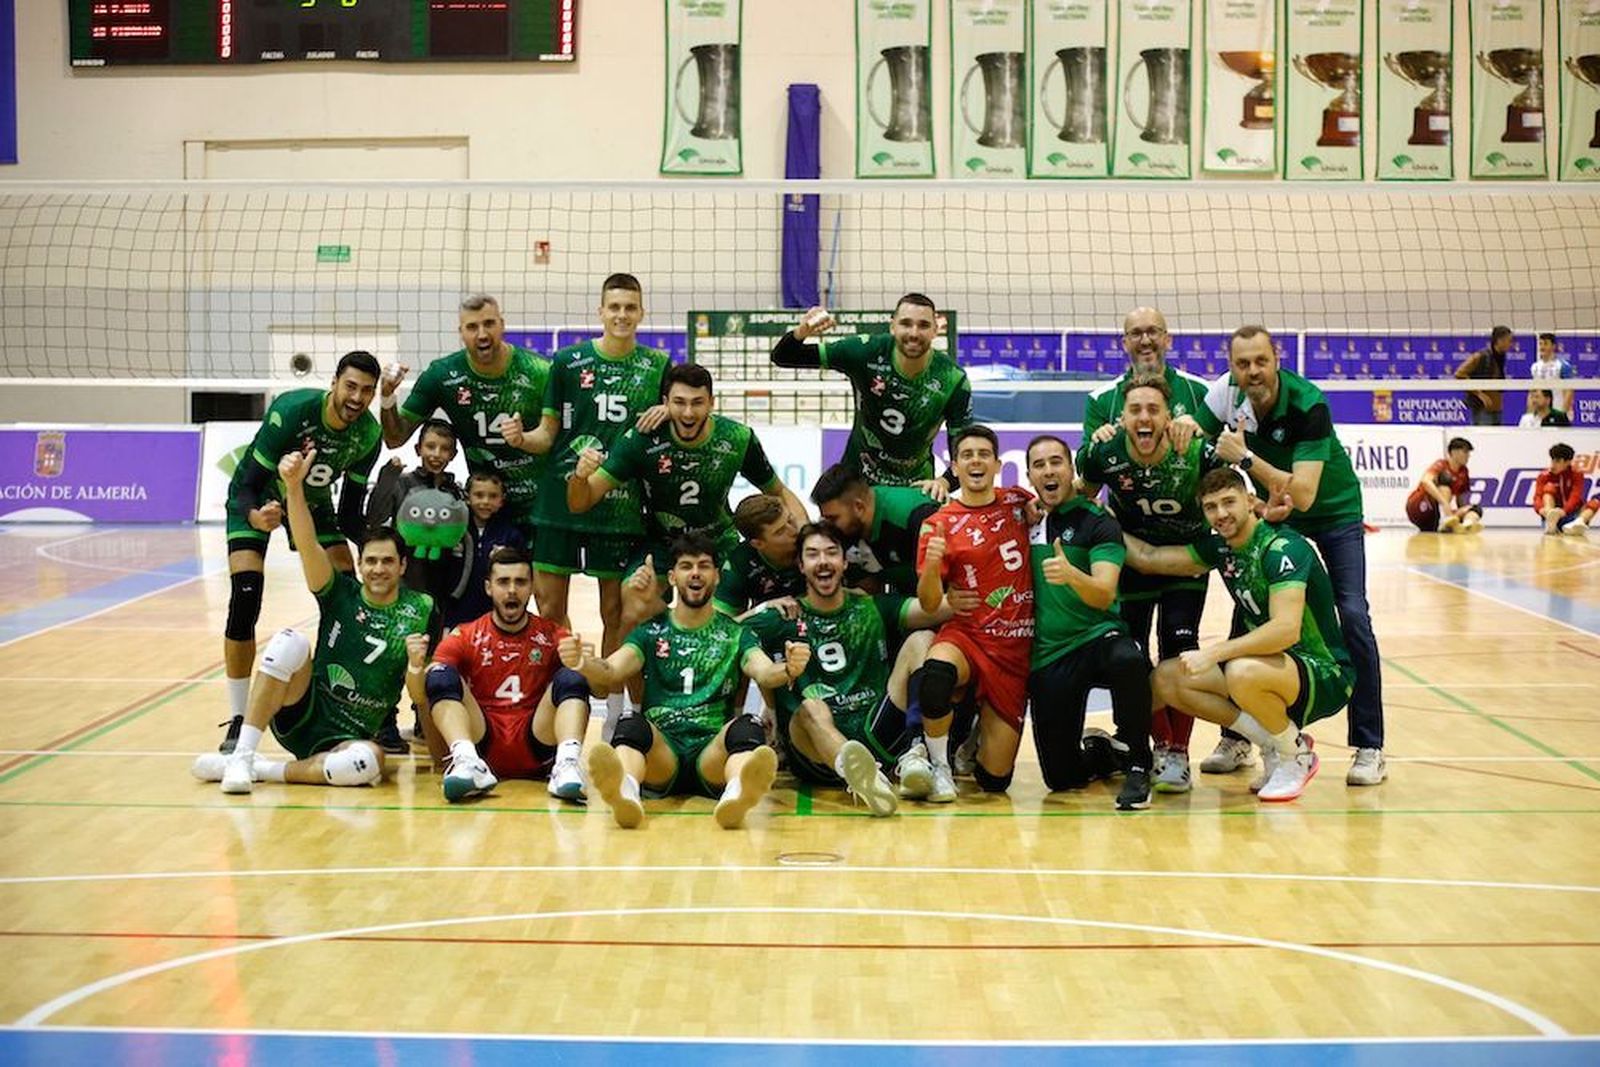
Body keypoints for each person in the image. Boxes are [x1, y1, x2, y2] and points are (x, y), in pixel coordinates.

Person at [1198, 325, 1386, 786]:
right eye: (1242, 364)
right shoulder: (1225, 394)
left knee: (1353, 614)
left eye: (1261, 360)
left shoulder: (1308, 403)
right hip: (1276, 509)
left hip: (1333, 512)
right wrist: (1184, 426)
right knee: (1249, 606)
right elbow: (1193, 436)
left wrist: (1244, 461)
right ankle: (1240, 736)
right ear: (1232, 368)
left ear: (1276, 358)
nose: (1252, 371)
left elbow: (1303, 494)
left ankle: (1369, 745)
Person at [193, 447, 437, 794]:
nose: (378, 569)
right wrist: (293, 487)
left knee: (370, 763)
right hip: (302, 712)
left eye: (387, 561)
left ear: (402, 566)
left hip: (349, 737)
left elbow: (420, 689)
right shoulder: (341, 592)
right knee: (289, 641)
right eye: (371, 561)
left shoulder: (423, 608)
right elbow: (308, 543)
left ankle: (260, 769)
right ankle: (243, 752)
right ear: (361, 563)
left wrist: (415, 668)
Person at [1122, 468, 1356, 803]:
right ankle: (1274, 743)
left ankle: (1297, 756)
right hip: (1271, 668)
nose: (1221, 514)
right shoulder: (1222, 548)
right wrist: (1106, 524)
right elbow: (1151, 559)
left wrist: (1215, 653)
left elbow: (1285, 630)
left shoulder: (1281, 547)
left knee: (1241, 671)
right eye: (1211, 507)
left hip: (1323, 672)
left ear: (1250, 501)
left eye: (1229, 502)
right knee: (1168, 678)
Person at [500, 273, 670, 722]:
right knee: (550, 608)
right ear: (600, 311)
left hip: (620, 506)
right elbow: (547, 435)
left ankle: (613, 710)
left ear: (641, 313)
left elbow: (681, 410)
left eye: (630, 307)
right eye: (614, 307)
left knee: (614, 611)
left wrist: (669, 408)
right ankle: (569, 691)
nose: (621, 315)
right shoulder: (568, 361)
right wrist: (521, 439)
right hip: (560, 501)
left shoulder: (657, 365)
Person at [560, 533, 807, 829]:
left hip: (711, 753)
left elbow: (765, 672)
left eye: (704, 566)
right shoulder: (651, 631)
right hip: (662, 753)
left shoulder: (735, 633)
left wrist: (789, 668)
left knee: (747, 726)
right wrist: (582, 662)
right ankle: (625, 790)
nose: (695, 573)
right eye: (687, 566)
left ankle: (736, 793)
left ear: (716, 576)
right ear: (673, 577)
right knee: (630, 724)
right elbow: (612, 670)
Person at [218, 350, 383, 754]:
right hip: (259, 500)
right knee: (245, 596)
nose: (357, 398)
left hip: (313, 505)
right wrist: (256, 517)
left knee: (347, 598)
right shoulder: (292, 410)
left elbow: (348, 514)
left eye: (367, 391)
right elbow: (248, 485)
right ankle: (240, 719)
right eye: (350, 386)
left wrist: (382, 547)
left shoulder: (368, 435)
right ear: (334, 384)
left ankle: (340, 705)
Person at [1076, 372, 1227, 794]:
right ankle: (1146, 743)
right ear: (1121, 417)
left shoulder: (1195, 450)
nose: (1144, 417)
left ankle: (1176, 751)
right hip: (1134, 568)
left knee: (1180, 653)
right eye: (1135, 410)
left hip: (1186, 562)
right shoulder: (1103, 452)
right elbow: (1082, 494)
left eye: (1153, 409)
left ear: (1169, 416)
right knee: (1135, 656)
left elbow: (1231, 495)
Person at [746, 523, 951, 817]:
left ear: (844, 562)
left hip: (874, 731)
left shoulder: (871, 607)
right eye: (813, 555)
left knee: (923, 640)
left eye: (831, 553)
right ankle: (859, 774)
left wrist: (970, 591)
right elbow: (720, 632)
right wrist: (760, 609)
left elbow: (935, 609)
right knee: (811, 708)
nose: (824, 561)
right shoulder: (783, 615)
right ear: (801, 566)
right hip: (814, 750)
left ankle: (915, 751)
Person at [565, 364, 809, 607]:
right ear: (665, 402)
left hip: (718, 542)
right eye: (679, 402)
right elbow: (579, 503)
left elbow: (779, 491)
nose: (689, 413)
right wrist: (579, 477)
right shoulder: (642, 440)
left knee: (716, 618)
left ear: (712, 402)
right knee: (634, 602)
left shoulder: (738, 438)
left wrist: (808, 537)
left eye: (697, 402)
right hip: (661, 542)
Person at [1025, 436, 1153, 810]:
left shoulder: (1097, 522)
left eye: (1056, 462)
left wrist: (1070, 574)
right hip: (1050, 653)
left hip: (1097, 636)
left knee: (1129, 661)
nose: (1049, 471)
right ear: (1030, 475)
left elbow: (1103, 592)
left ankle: (1137, 763)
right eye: (1039, 465)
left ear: (1071, 470)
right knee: (1061, 780)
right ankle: (1102, 754)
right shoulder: (1024, 518)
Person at [909, 425, 1036, 802]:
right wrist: (932, 568)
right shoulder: (939, 522)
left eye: (984, 454)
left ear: (998, 464)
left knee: (994, 782)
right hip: (967, 635)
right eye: (967, 455)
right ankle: (940, 767)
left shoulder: (1018, 502)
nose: (976, 461)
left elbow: (1048, 504)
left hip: (1014, 649)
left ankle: (972, 739)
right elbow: (930, 604)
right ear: (956, 466)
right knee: (936, 676)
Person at [421, 547, 590, 802]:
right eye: (503, 582)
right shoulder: (466, 634)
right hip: (483, 740)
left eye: (520, 582)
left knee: (572, 676)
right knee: (440, 674)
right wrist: (415, 668)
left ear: (532, 587)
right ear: (489, 588)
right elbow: (427, 687)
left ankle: (566, 764)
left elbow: (599, 688)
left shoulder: (553, 634)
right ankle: (466, 760)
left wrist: (584, 664)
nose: (512, 590)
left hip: (536, 740)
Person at [379, 294, 551, 540]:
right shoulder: (443, 375)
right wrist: (387, 398)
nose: (482, 334)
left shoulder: (540, 371)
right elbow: (394, 438)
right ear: (461, 332)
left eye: (489, 324)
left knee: (539, 578)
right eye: (472, 327)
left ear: (502, 324)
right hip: (486, 507)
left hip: (541, 506)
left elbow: (562, 434)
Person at [770, 294, 971, 493]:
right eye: (906, 324)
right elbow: (783, 356)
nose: (914, 333)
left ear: (936, 330)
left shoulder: (952, 379)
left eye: (924, 325)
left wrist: (943, 483)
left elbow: (965, 449)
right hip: (857, 482)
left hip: (913, 489)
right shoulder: (865, 351)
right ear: (893, 326)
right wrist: (803, 330)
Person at [364, 417, 466, 752]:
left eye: (444, 448)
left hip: (441, 588)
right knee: (396, 655)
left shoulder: (456, 491)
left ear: (453, 454)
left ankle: (426, 721)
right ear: (419, 448)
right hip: (407, 585)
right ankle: (385, 724)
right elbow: (375, 517)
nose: (436, 454)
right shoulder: (403, 483)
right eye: (431, 446)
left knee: (436, 654)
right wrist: (386, 478)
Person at [1081, 306, 1210, 445]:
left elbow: (1219, 453)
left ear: (1167, 340)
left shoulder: (1201, 390)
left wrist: (1199, 432)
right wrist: (1097, 445)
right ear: (1125, 344)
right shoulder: (1101, 399)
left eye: (1152, 332)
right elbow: (1085, 463)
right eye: (1136, 334)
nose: (1145, 341)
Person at [811, 463, 942, 595]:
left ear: (859, 507)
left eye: (833, 518)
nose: (828, 526)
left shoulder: (914, 516)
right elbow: (869, 586)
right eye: (825, 519)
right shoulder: (846, 530)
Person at [445, 470, 528, 626]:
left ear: (501, 501)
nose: (485, 501)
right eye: (479, 495)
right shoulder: (454, 531)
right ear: (467, 498)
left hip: (494, 614)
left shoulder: (511, 535)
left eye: (493, 496)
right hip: (455, 611)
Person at [715, 494, 805, 616]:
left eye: (790, 520)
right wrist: (762, 609)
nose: (793, 531)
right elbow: (722, 626)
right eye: (780, 531)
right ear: (757, 544)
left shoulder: (816, 544)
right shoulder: (740, 563)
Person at [1405, 437, 1483, 533]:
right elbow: (1425, 481)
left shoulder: (1464, 472)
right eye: (1465, 452)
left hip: (1437, 514)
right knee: (1445, 479)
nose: (1468, 456)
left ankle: (1466, 525)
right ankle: (1445, 519)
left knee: (1475, 509)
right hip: (1419, 505)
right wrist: (1445, 504)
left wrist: (1463, 514)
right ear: (1454, 453)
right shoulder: (1441, 465)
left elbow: (1460, 500)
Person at [1454, 325, 1513, 427]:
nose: (1510, 344)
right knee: (1481, 439)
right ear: (1499, 340)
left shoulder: (1501, 357)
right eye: (1509, 340)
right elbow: (1459, 374)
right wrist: (1480, 394)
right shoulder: (1481, 356)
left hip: (1497, 408)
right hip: (1482, 409)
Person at [1535, 443, 1588, 535]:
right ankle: (1550, 522)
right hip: (1550, 512)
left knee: (1591, 503)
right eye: (1552, 460)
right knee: (1548, 490)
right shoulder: (1544, 475)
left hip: (1569, 514)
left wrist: (1564, 511)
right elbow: (1538, 496)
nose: (1553, 464)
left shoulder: (1576, 474)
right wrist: (1540, 509)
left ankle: (1577, 523)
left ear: (1568, 462)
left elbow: (1575, 496)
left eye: (1558, 461)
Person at [1529, 332, 1575, 420]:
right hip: (1540, 413)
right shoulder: (1535, 367)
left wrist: (1562, 414)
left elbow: (1569, 392)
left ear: (1553, 346)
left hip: (1558, 410)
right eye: (1540, 344)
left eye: (1546, 344)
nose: (1542, 347)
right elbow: (1532, 392)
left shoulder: (1562, 366)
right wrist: (1530, 413)